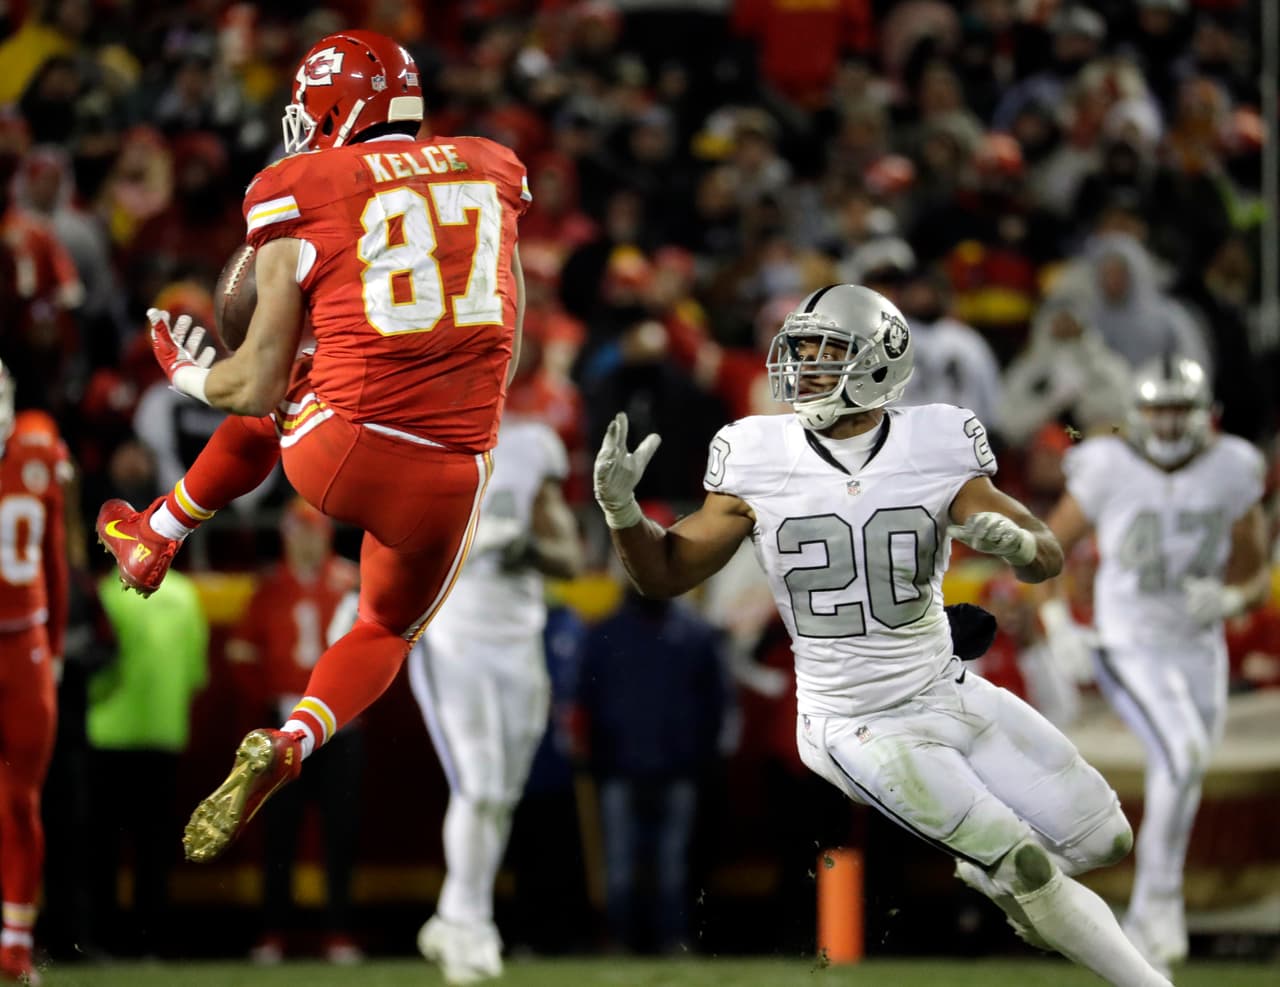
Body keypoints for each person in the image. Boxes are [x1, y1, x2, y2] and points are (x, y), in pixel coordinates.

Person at [591, 284, 1173, 987]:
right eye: (800, 350)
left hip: (946, 688)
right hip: (852, 719)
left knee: (1106, 838)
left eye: (826, 352)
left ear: (879, 361)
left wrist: (1020, 547)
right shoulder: (756, 452)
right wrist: (622, 511)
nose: (804, 368)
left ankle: (1000, 880)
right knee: (1022, 860)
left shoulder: (936, 441)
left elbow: (1046, 552)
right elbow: (664, 574)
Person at [93, 28, 531, 864]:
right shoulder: (492, 166)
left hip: (341, 449)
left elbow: (253, 386)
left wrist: (186, 373)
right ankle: (294, 739)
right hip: (453, 470)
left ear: (334, 107)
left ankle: (158, 534)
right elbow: (505, 333)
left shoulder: (300, 185)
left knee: (283, 385)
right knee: (384, 628)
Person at [1041, 355, 1269, 975]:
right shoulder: (1107, 465)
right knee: (1182, 754)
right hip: (1128, 643)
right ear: (1137, 414)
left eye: (1178, 410)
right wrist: (1057, 622)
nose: (1167, 423)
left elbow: (1255, 573)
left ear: (1203, 414)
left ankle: (1146, 911)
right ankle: (1156, 908)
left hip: (1199, 648)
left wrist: (1231, 599)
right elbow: (1046, 548)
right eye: (1157, 410)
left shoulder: (1232, 467)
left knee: (1185, 768)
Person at [405, 414, 582, 984]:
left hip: (520, 640)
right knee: (477, 786)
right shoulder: (422, 432)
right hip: (454, 635)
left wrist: (526, 548)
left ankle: (457, 919)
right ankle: (466, 922)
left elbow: (570, 558)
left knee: (501, 795)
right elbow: (390, 536)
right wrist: (465, 544)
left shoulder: (532, 444)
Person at [223, 497, 361, 965]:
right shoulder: (270, 588)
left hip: (341, 729)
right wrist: (267, 706)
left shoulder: (350, 583)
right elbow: (241, 656)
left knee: (341, 832)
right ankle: (273, 932)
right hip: (286, 729)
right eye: (300, 532)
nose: (307, 541)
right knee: (278, 832)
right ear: (286, 536)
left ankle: (339, 932)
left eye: (314, 531)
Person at [88, 565, 208, 957]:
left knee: (103, 848)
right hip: (165, 732)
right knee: (154, 848)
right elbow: (196, 672)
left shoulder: (105, 593)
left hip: (107, 733)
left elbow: (93, 665)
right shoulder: (185, 595)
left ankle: (103, 940)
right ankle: (148, 941)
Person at [0, 364, 69, 986]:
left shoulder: (38, 447)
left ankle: (16, 944)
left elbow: (55, 559)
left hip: (24, 644)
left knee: (20, 803)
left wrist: (57, 644)